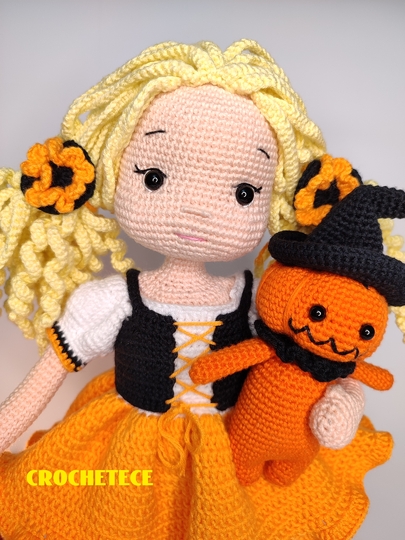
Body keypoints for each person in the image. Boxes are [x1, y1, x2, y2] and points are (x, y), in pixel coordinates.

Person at [0, 39, 398, 540]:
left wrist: (344, 399)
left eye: (243, 193)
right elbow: (47, 375)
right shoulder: (112, 301)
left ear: (273, 199)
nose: (198, 211)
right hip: (130, 449)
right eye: (155, 178)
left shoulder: (260, 301)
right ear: (115, 174)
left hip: (236, 444)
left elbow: (315, 358)